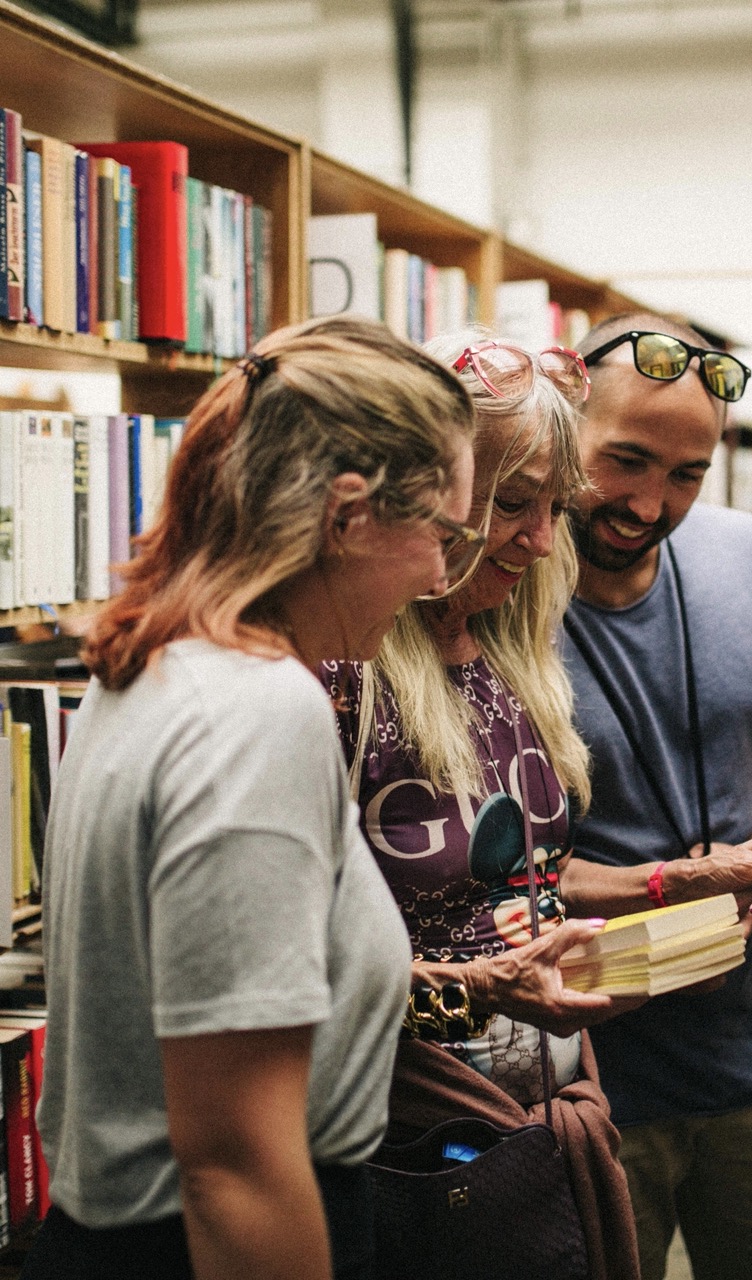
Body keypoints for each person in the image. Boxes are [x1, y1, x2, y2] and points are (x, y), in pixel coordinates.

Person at [324, 333, 752, 1280]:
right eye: (514, 503)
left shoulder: (506, 645)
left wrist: (684, 880)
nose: (544, 539)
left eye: (688, 474)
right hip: (422, 1133)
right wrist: (485, 991)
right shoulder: (343, 668)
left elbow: (528, 875)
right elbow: (292, 980)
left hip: (563, 1099)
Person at [22, 314, 479, 1280]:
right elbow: (235, 1163)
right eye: (442, 531)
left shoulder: (148, 668)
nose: (444, 574)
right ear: (348, 515)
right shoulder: (257, 713)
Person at [559, 312, 752, 1280]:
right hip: (580, 1078)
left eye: (687, 475)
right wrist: (667, 891)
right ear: (563, 417)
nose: (651, 504)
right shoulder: (494, 589)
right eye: (626, 461)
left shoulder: (751, 555)